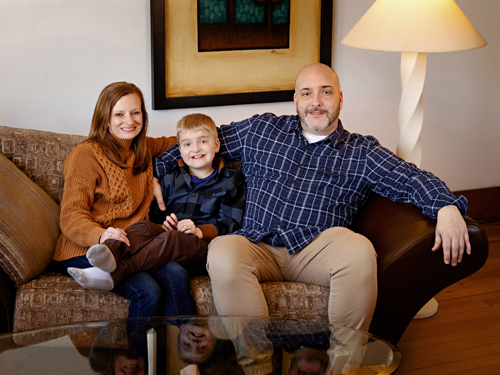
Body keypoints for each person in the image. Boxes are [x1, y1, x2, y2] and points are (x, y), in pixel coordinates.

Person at [153, 63, 471, 332]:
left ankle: (344, 365)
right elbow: (197, 138)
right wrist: (157, 172)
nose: (315, 101)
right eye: (306, 93)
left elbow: (409, 176)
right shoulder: (261, 130)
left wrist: (445, 205)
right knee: (222, 250)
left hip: (317, 250)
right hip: (255, 243)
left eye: (325, 92)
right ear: (295, 100)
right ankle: (257, 363)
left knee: (359, 249)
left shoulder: (362, 151)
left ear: (340, 99)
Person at [54, 81, 196, 317]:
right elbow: (71, 216)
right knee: (148, 291)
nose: (129, 121)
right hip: (87, 248)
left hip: (134, 247)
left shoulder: (143, 149)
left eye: (135, 112)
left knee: (177, 275)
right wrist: (100, 235)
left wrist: (155, 178)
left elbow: (183, 140)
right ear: (105, 118)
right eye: (119, 114)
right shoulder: (86, 155)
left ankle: (181, 350)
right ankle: (136, 355)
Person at [66, 113, 246, 294]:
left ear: (216, 145)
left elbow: (230, 223)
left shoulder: (230, 180)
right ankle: (110, 253)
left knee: (173, 238)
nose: (195, 149)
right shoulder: (171, 179)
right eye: (188, 144)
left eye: (203, 142)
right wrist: (166, 223)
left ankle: (114, 274)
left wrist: (199, 231)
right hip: (170, 240)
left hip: (203, 249)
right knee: (143, 226)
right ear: (180, 150)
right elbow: (156, 217)